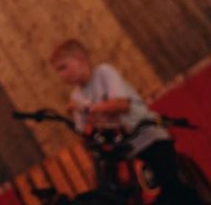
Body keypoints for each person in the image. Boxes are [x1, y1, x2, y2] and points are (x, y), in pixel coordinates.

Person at [50, 40, 203, 205]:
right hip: (121, 154)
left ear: (80, 60)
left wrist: (87, 108)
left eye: (63, 67)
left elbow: (122, 104)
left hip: (147, 139)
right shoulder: (76, 97)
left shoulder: (103, 73)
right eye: (58, 71)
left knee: (171, 191)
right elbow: (84, 133)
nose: (61, 75)